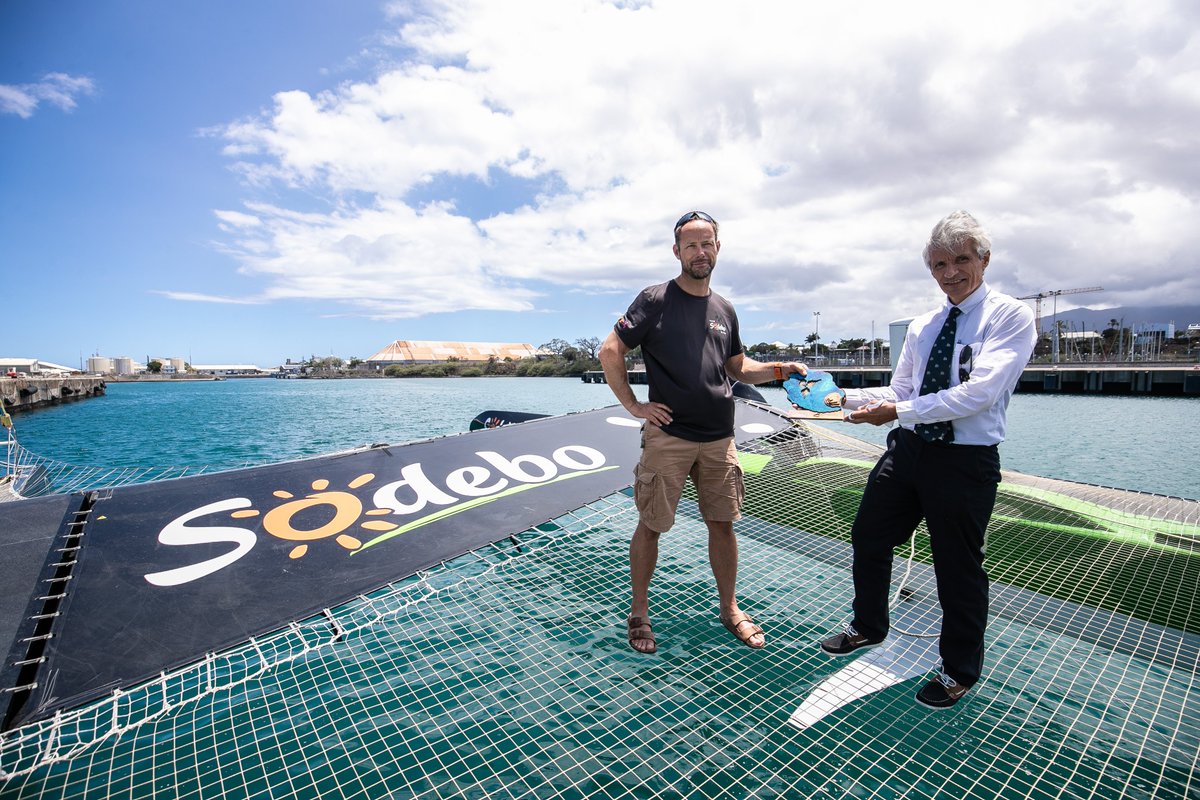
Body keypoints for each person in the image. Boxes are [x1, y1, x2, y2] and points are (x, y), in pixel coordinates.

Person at [819, 210, 1037, 708]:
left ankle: (959, 669)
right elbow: (899, 390)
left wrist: (896, 410)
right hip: (910, 448)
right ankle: (868, 625)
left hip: (965, 459)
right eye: (939, 264)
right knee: (869, 534)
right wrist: (842, 397)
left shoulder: (1009, 316)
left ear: (984, 258)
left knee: (957, 567)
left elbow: (978, 394)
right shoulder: (924, 325)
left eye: (961, 259)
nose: (950, 272)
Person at [598, 210, 807, 655]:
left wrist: (781, 368)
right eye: (690, 245)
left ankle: (729, 608)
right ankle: (639, 612)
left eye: (706, 243)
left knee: (723, 525)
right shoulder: (654, 301)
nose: (700, 252)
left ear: (718, 248)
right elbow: (610, 350)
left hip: (719, 437)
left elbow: (736, 367)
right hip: (669, 436)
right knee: (651, 525)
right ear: (677, 252)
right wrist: (634, 406)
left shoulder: (724, 309)